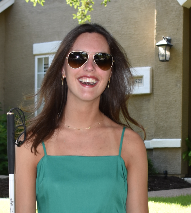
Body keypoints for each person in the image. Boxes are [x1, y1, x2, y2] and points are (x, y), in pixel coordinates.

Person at [15, 23, 149, 213]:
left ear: (110, 73)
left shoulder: (130, 144)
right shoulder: (31, 143)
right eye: (78, 58)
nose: (90, 68)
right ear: (63, 69)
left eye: (101, 60)